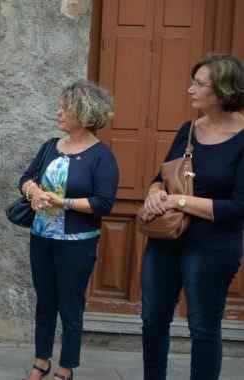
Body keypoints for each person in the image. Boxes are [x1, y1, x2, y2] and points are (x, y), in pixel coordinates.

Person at [139, 54, 244, 380]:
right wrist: (156, 193)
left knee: (202, 327)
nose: (189, 90)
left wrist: (180, 200)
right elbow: (164, 175)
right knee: (153, 320)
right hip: (167, 240)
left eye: (199, 84)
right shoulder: (189, 129)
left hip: (213, 246)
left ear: (224, 90)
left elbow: (238, 208)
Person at [19, 81, 119, 380]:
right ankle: (41, 361)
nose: (58, 112)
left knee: (71, 305)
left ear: (85, 112)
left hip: (77, 244)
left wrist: (64, 202)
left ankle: (66, 366)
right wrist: (32, 192)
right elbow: (25, 178)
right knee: (45, 302)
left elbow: (104, 203)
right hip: (42, 239)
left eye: (66, 108)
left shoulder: (102, 156)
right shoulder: (50, 146)